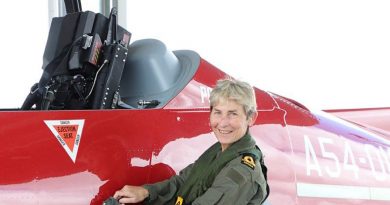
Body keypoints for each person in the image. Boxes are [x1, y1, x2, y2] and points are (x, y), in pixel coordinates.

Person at [113, 78, 269, 205]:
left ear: (251, 118)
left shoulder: (241, 173)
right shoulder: (220, 150)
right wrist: (147, 192)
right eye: (218, 112)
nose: (222, 123)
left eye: (232, 114)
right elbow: (183, 181)